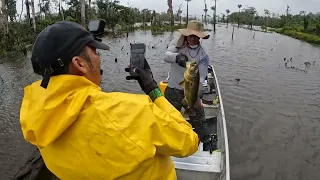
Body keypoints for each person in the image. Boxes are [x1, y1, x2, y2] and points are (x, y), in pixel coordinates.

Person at [19, 21, 199, 180]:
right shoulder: (134, 111)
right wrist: (153, 91)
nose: (100, 59)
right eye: (95, 52)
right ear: (79, 63)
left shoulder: (35, 118)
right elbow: (189, 141)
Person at [163, 20, 212, 145]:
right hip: (174, 88)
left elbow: (202, 77)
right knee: (168, 117)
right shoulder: (177, 44)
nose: (193, 39)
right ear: (186, 35)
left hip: (191, 92)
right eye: (191, 35)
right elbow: (166, 56)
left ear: (200, 37)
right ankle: (167, 141)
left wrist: (198, 96)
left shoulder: (203, 55)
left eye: (196, 36)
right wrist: (176, 57)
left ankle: (206, 140)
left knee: (199, 117)